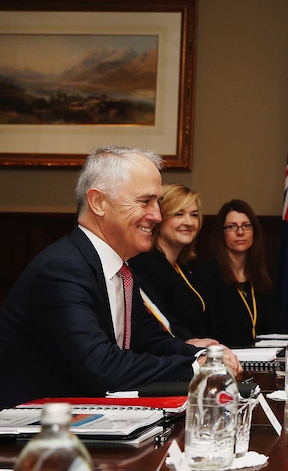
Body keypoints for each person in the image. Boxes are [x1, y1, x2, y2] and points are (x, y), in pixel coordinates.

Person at [0, 146, 241, 409]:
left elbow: (150, 340)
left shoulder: (122, 270)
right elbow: (100, 366)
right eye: (144, 202)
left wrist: (207, 356)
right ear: (99, 203)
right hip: (38, 435)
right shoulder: (62, 270)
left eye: (157, 202)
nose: (157, 216)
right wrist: (197, 366)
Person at [129, 183, 215, 343]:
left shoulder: (185, 269)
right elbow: (159, 323)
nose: (189, 222)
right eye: (179, 214)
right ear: (159, 218)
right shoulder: (145, 266)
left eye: (194, 215)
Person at [198, 199, 275, 347]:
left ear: (254, 231)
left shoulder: (263, 278)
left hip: (263, 362)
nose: (240, 232)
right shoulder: (207, 278)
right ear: (222, 233)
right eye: (232, 226)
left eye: (246, 226)